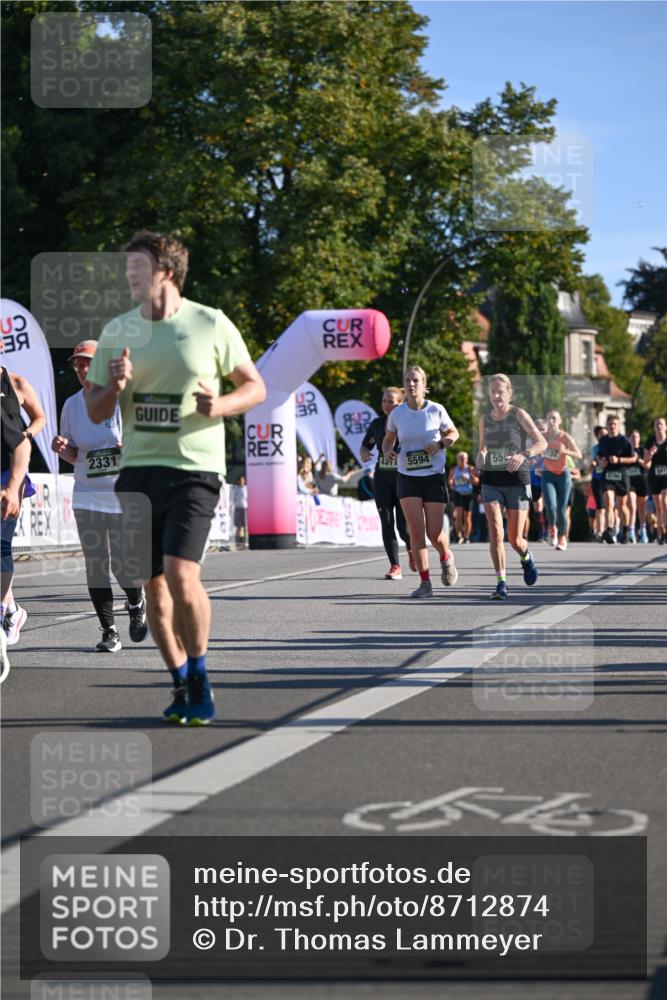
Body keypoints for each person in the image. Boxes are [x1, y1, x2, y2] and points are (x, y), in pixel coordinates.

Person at [86, 230, 266, 725]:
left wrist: (221, 405)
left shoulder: (210, 323)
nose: (130, 278)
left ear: (166, 271)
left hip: (195, 469)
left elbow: (255, 386)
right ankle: (181, 680)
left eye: (137, 270)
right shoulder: (118, 331)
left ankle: (203, 676)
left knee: (183, 573)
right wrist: (116, 385)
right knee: (152, 588)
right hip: (138, 472)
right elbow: (96, 409)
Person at [51, 340, 148, 652]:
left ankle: (136, 602)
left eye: (88, 362)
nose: (81, 369)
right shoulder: (71, 405)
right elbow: (74, 453)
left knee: (121, 564)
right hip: (87, 493)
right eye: (78, 364)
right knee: (96, 563)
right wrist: (61, 448)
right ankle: (109, 631)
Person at [382, 366, 459, 598]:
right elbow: (388, 440)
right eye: (408, 380)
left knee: (434, 533)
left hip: (433, 476)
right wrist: (387, 451)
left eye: (416, 380)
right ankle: (425, 583)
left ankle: (446, 557)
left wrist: (441, 444)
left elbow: (454, 433)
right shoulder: (397, 414)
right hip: (407, 477)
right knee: (415, 531)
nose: (412, 384)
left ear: (425, 385)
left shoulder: (436, 410)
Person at [476, 374, 546, 600]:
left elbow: (541, 443)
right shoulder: (484, 419)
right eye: (493, 392)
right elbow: (483, 449)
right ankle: (501, 583)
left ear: (509, 393)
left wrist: (523, 454)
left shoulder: (519, 415)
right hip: (491, 481)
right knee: (496, 531)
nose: (496, 396)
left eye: (500, 391)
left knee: (515, 540)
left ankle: (526, 558)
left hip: (517, 480)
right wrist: (481, 456)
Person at [1, 365, 45, 649]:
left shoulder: (16, 382)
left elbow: (39, 417)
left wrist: (26, 435)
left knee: (1, 541)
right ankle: (12, 608)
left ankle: (5, 611)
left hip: (10, 473)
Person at [360, 386, 414, 580]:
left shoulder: (408, 423)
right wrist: (365, 451)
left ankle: (410, 547)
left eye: (391, 401)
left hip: (403, 479)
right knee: (386, 520)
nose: (386, 405)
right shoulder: (377, 424)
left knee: (403, 527)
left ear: (401, 404)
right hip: (382, 478)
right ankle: (395, 566)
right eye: (384, 401)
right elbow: (366, 444)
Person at [541, 409, 582, 551]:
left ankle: (562, 538)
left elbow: (579, 454)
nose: (551, 421)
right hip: (547, 475)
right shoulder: (543, 437)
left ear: (559, 422)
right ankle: (552, 528)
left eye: (554, 419)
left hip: (563, 475)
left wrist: (565, 451)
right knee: (551, 507)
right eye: (549, 418)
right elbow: (532, 449)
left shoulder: (565, 437)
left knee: (561, 509)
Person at [597, 414, 634, 545]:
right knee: (609, 501)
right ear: (607, 426)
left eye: (614, 424)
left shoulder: (624, 441)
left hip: (621, 475)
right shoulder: (603, 440)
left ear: (618, 426)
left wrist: (619, 460)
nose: (612, 426)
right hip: (608, 475)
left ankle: (625, 531)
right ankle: (609, 530)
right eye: (610, 424)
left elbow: (633, 458)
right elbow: (600, 457)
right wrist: (602, 462)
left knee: (622, 505)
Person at [447, 451, 479, 544]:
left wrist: (469, 478)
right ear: (458, 460)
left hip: (468, 494)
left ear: (467, 460)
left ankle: (467, 536)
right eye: (460, 459)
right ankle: (458, 536)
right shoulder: (454, 469)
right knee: (458, 515)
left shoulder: (470, 468)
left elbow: (477, 481)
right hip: (458, 493)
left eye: (464, 459)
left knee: (467, 516)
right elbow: (450, 480)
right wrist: (452, 484)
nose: (462, 461)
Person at [645, 416, 667, 545]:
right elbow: (645, 461)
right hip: (654, 476)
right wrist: (651, 454)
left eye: (661, 424)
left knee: (665, 502)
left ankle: (665, 530)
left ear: (665, 427)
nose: (659, 427)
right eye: (657, 425)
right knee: (658, 505)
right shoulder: (650, 441)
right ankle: (661, 530)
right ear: (654, 428)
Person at [627, 429, 650, 544]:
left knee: (642, 509)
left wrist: (638, 459)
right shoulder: (626, 450)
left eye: (636, 437)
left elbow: (648, 466)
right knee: (632, 505)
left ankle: (643, 529)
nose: (634, 439)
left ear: (639, 439)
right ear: (629, 439)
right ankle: (631, 531)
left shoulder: (643, 450)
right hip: (630, 482)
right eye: (632, 437)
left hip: (642, 482)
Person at [589, 425, 608, 541]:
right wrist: (593, 465)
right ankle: (600, 532)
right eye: (600, 434)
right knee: (600, 507)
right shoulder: (595, 448)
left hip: (609, 479)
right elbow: (592, 464)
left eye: (604, 434)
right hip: (597, 479)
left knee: (610, 506)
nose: (602, 436)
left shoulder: (611, 446)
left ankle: (610, 530)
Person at [232, 474, 248, 548]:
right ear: (238, 481)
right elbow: (233, 497)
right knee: (238, 526)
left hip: (245, 508)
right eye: (240, 480)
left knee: (245, 526)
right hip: (237, 508)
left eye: (243, 480)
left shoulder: (246, 488)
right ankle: (237, 542)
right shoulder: (235, 488)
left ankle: (245, 542)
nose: (241, 481)